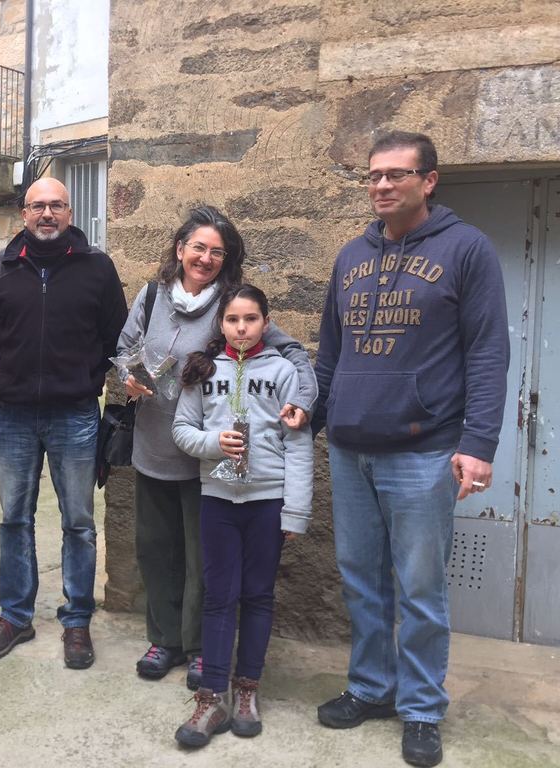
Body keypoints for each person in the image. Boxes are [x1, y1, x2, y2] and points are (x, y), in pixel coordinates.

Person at [312, 131, 509, 767]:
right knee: (361, 581)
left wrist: (478, 443)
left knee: (420, 588)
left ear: (429, 181)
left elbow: (487, 352)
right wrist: (313, 412)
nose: (382, 185)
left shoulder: (466, 250)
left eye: (397, 174)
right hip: (350, 448)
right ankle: (372, 687)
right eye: (373, 176)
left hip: (425, 451)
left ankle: (421, 706)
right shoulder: (350, 256)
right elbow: (331, 353)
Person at [117, 206, 316, 689]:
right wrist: (126, 375)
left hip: (213, 463)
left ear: (226, 260)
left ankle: (202, 647)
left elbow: (291, 354)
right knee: (155, 549)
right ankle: (164, 639)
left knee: (203, 559)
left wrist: (304, 399)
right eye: (197, 247)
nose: (204, 258)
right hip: (154, 445)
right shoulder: (150, 296)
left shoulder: (232, 305)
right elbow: (125, 349)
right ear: (180, 249)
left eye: (216, 252)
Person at [0, 177, 127, 669]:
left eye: (56, 205)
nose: (47, 214)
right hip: (12, 416)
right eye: (37, 206)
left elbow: (115, 339)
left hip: (75, 416)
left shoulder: (97, 269)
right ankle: (15, 615)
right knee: (14, 520)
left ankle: (76, 619)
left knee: (78, 523)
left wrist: (88, 381)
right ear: (23, 214)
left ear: (70, 212)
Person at [171, 284, 313, 747]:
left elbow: (298, 444)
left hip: (267, 503)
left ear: (266, 323)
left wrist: (295, 512)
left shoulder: (284, 372)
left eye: (251, 319)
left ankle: (247, 688)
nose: (242, 327)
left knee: (257, 596)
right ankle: (211, 696)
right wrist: (213, 445)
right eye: (233, 320)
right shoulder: (203, 369)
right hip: (217, 500)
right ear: (222, 324)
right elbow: (182, 429)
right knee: (218, 595)